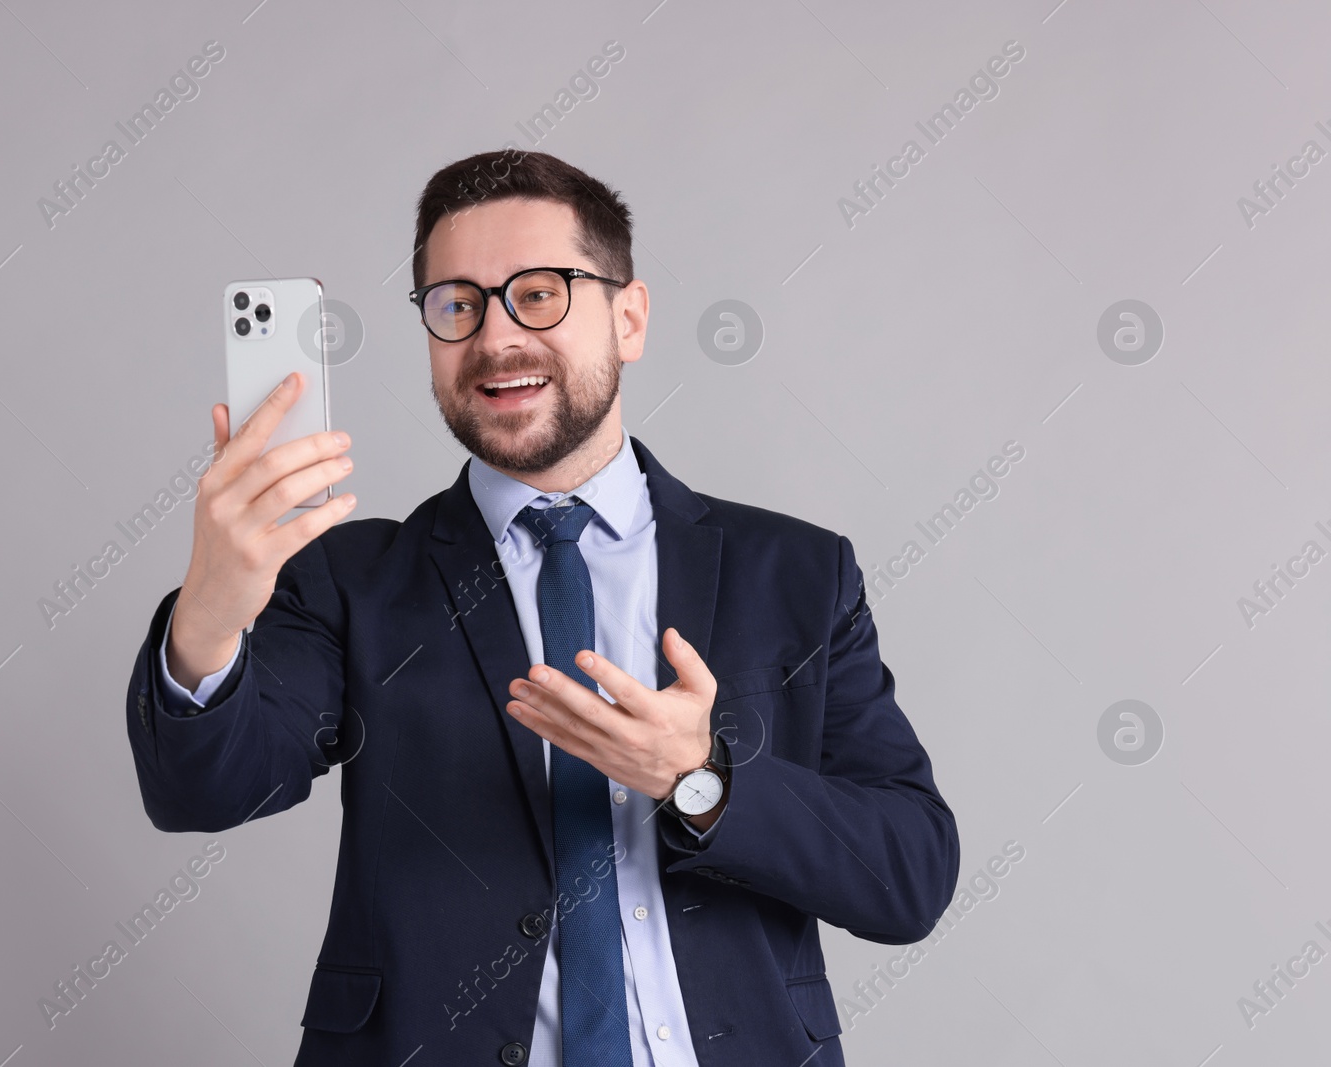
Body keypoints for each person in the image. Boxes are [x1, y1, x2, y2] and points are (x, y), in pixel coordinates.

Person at [125, 149, 959, 1066]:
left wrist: (700, 776)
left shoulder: (797, 573)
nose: (495, 338)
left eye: (540, 293)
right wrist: (208, 611)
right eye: (457, 304)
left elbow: (908, 874)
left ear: (629, 317)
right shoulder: (351, 580)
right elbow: (202, 790)